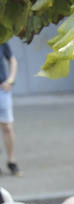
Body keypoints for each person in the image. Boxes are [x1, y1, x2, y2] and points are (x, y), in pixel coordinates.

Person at [0, 41, 15, 176]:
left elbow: (12, 59)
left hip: (2, 89)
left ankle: (11, 160)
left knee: (7, 127)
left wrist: (10, 79)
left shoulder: (2, 38)